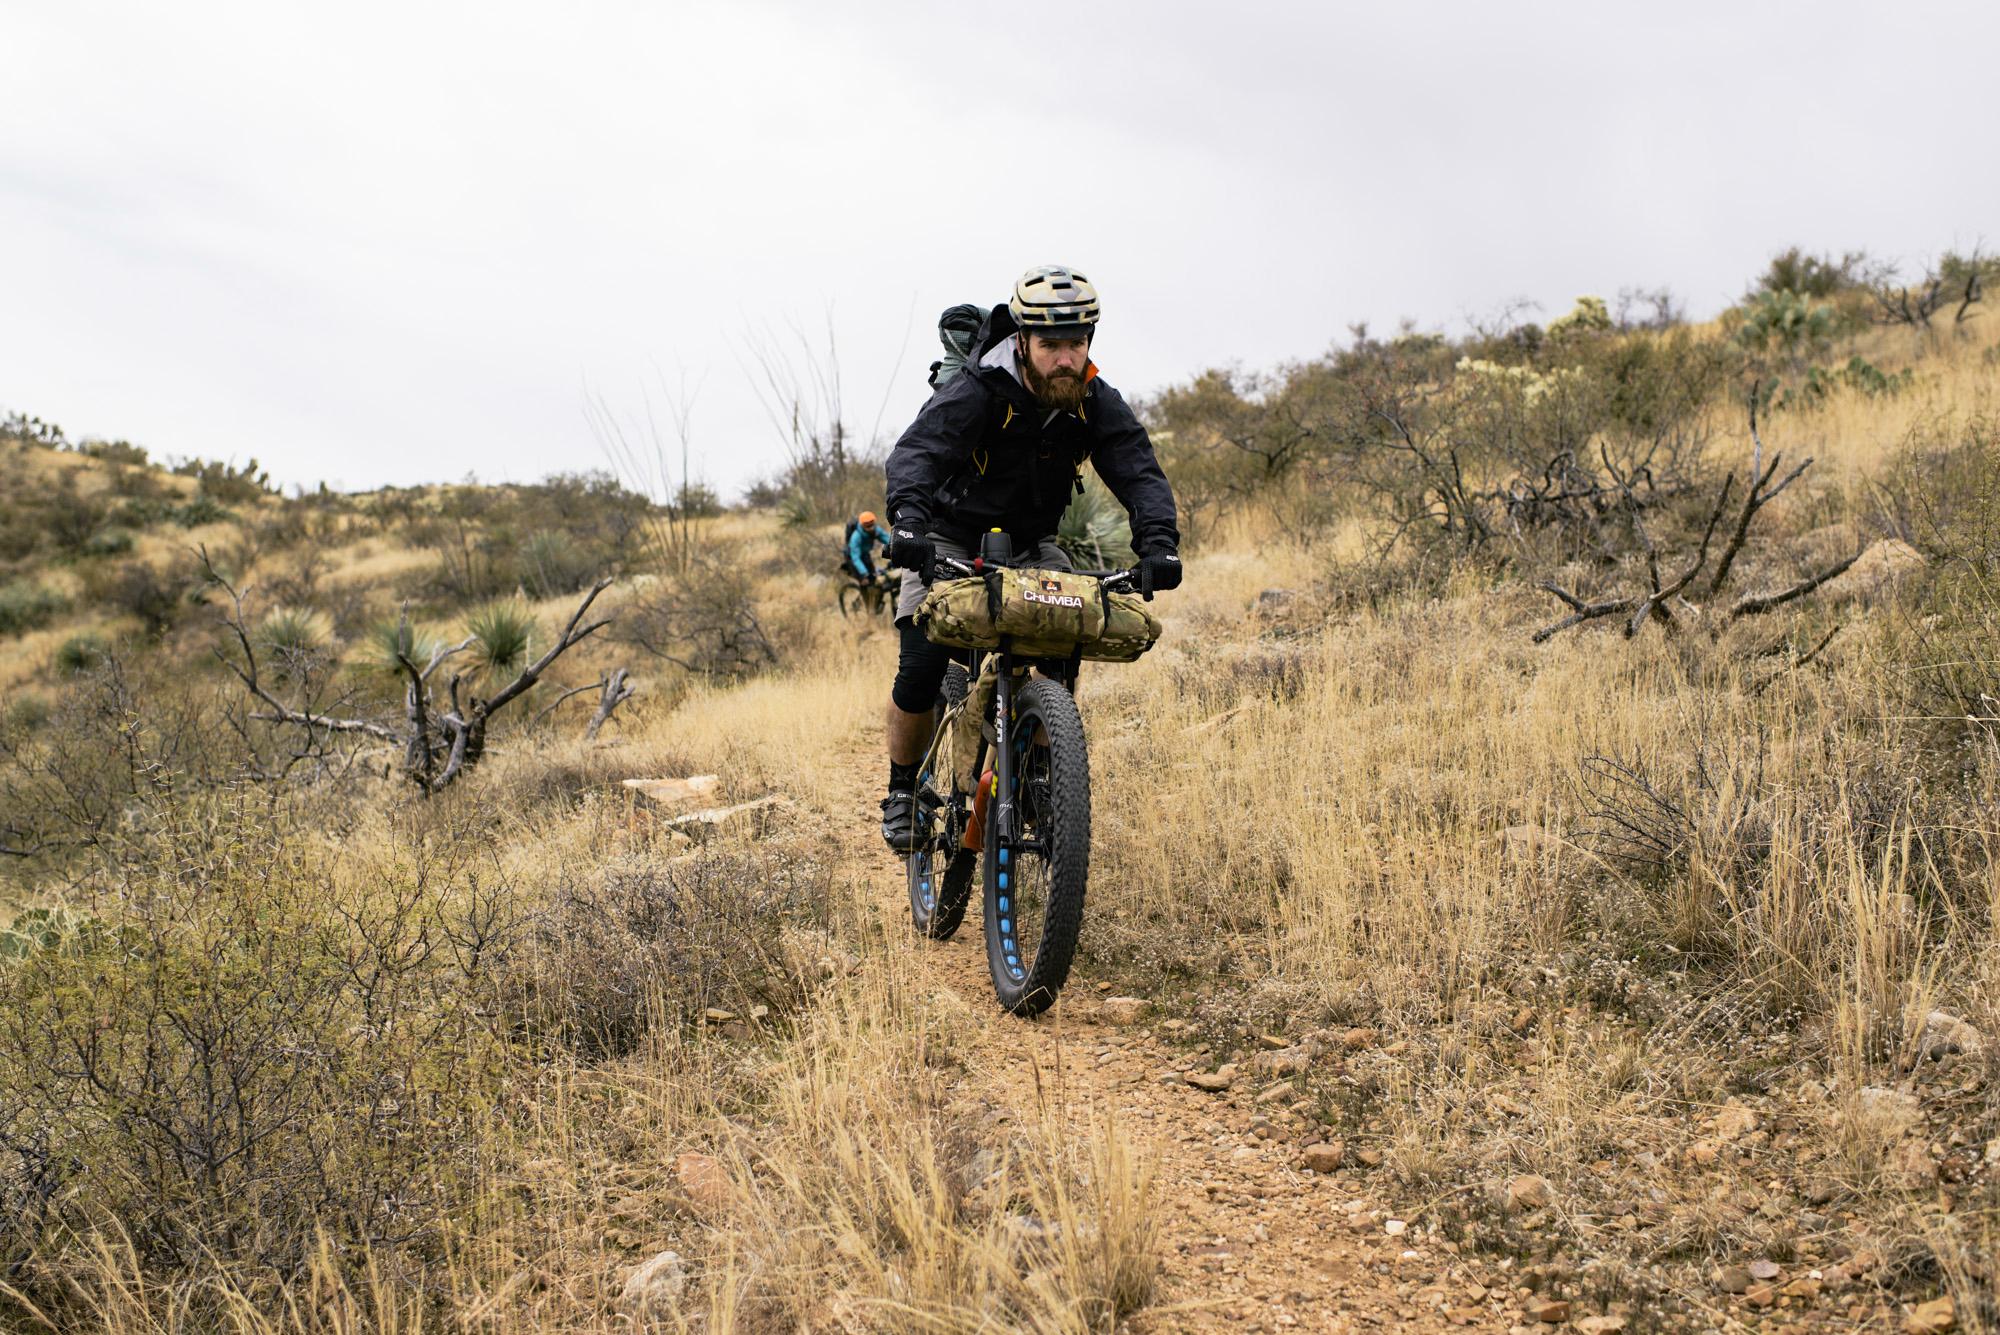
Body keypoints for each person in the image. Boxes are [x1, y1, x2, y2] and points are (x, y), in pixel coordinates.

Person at [877, 265, 1182, 850]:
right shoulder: (980, 388)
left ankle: (1041, 772)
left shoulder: (1091, 398)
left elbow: (1137, 468)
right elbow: (917, 453)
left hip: (1030, 542)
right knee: (921, 661)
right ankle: (902, 791)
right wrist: (909, 524)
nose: (1066, 358)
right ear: (1022, 340)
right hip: (946, 534)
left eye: (1077, 343)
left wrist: (1159, 544)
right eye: (1051, 346)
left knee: (1061, 646)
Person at [846, 510, 889, 587]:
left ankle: (876, 598)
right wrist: (864, 573)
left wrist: (898, 547)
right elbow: (855, 558)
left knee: (874, 577)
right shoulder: (856, 537)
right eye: (868, 526)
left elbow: (888, 539)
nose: (871, 528)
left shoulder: (876, 530)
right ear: (862, 525)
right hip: (853, 557)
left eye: (872, 524)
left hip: (865, 554)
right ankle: (865, 597)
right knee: (865, 581)